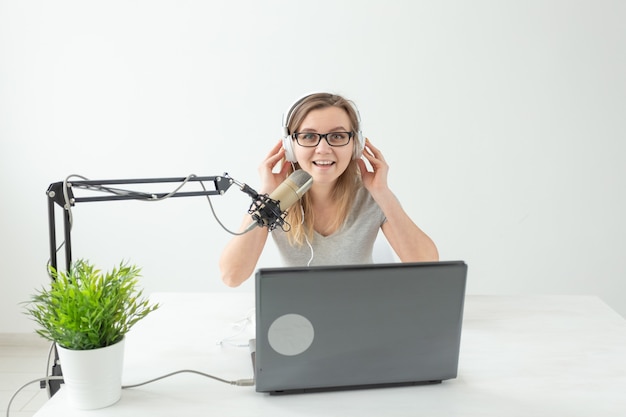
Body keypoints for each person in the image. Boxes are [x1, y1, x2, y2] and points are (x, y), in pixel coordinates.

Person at [219, 92, 438, 287]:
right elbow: (232, 277)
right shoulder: (276, 201)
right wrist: (266, 197)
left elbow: (429, 269)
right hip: (298, 318)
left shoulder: (372, 197)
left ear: (356, 145)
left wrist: (383, 192)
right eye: (308, 136)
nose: (323, 149)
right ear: (290, 147)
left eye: (337, 136)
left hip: (361, 313)